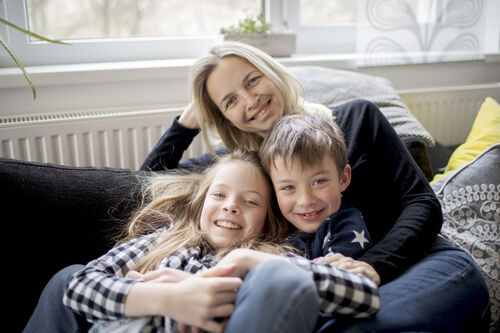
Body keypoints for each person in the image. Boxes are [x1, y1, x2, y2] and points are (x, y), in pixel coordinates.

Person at [139, 41, 490, 332]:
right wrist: (188, 121)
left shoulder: (357, 119)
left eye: (252, 81)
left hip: (421, 262)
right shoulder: (245, 168)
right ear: (222, 116)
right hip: (326, 288)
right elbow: (143, 182)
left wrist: (374, 265)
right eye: (229, 100)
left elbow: (422, 203)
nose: (249, 101)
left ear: (273, 74)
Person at [61, 149, 380, 333]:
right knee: (62, 277)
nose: (231, 206)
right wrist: (168, 298)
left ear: (268, 219)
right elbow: (77, 286)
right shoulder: (166, 242)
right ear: (201, 202)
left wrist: (245, 261)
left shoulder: (272, 256)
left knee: (280, 275)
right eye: (219, 195)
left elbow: (364, 294)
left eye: (251, 202)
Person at [259, 112, 372, 261]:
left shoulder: (347, 227)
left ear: (343, 179)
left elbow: (330, 274)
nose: (306, 200)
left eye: (319, 182)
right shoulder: (274, 227)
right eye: (288, 187)